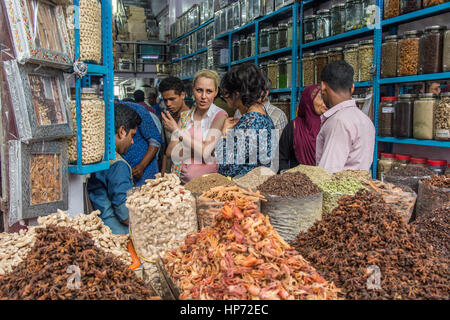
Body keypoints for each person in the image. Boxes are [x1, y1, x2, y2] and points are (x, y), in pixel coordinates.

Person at [162, 70, 227, 183]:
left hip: (206, 186)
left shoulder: (220, 115)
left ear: (216, 92)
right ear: (192, 90)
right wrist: (198, 150)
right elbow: (170, 152)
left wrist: (178, 133)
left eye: (209, 91)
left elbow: (205, 151)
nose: (203, 96)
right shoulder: (185, 116)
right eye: (199, 90)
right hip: (181, 184)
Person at [86, 103, 141, 234]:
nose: (132, 142)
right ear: (122, 131)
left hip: (101, 226)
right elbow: (124, 212)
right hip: (117, 232)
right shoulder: (118, 165)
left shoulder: (97, 155)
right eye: (132, 135)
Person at [217, 63, 276, 178]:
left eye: (225, 94)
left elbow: (226, 168)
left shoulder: (251, 122)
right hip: (257, 183)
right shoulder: (263, 115)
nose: (225, 99)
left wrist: (224, 135)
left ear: (236, 94)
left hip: (244, 188)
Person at [316, 61, 375, 174]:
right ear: (352, 88)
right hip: (361, 188)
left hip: (341, 190)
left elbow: (327, 173)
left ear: (323, 86)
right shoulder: (365, 119)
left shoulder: (338, 122)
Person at [278, 84, 328, 172]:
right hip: (299, 182)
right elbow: (281, 157)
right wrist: (287, 177)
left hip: (327, 182)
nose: (326, 101)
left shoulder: (332, 124)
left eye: (326, 97)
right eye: (321, 97)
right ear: (308, 100)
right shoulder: (294, 126)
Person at [120, 100, 163, 186]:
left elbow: (155, 140)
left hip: (145, 172)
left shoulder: (137, 110)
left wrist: (141, 166)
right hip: (122, 175)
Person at [158, 77, 191, 173]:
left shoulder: (193, 118)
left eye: (172, 99)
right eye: (165, 100)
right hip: (171, 173)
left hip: (188, 173)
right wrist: (163, 175)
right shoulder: (167, 120)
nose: (168, 104)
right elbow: (165, 152)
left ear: (182, 95)